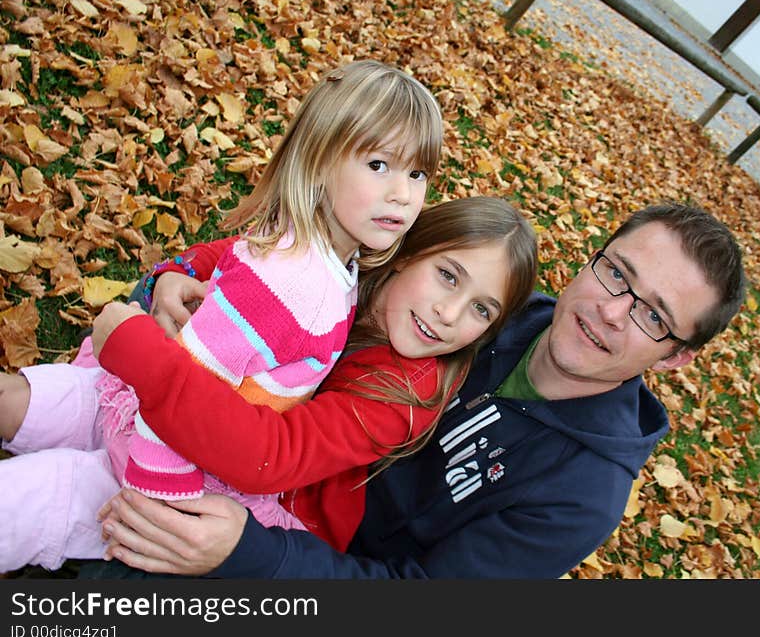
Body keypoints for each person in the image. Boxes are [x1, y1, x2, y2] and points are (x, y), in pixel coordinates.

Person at [94, 201, 747, 579]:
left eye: (652, 315)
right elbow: (311, 268)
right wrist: (170, 280)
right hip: (242, 429)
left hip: (302, 550)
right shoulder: (485, 299)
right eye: (616, 274)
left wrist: (252, 553)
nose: (611, 311)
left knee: (100, 565)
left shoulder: (580, 495)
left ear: (675, 358)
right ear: (591, 258)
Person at [0, 58, 445, 573]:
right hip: (159, 461)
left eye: (417, 174)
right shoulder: (294, 282)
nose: (403, 193)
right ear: (319, 160)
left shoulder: (331, 259)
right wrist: (155, 500)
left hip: (153, 424)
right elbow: (192, 382)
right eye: (378, 166)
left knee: (28, 480)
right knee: (22, 495)